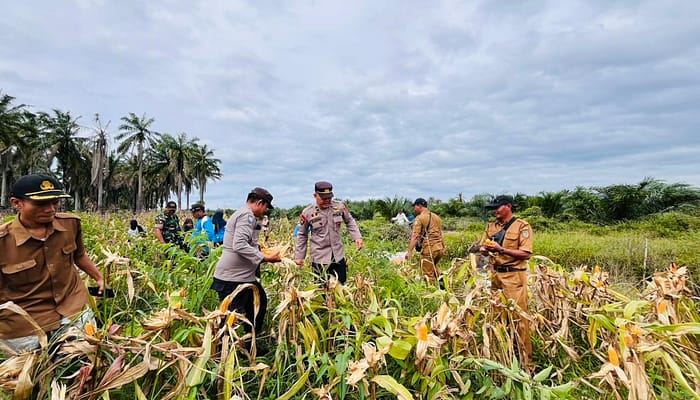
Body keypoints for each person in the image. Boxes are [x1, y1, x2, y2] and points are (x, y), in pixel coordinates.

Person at [0, 174, 105, 353]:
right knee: (35, 368)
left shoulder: (70, 224)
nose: (50, 209)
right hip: (25, 324)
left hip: (73, 307)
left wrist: (99, 278)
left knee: (85, 357)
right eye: (41, 204)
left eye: (55, 202)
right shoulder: (3, 242)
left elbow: (79, 255)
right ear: (17, 203)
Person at [211, 188, 281, 349]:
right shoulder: (246, 216)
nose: (265, 211)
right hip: (233, 278)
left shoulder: (245, 215)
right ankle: (223, 352)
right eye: (266, 207)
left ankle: (249, 344)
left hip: (244, 277)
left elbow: (246, 243)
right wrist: (264, 258)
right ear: (260, 203)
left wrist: (260, 251)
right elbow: (239, 244)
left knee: (258, 304)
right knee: (232, 316)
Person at [479, 195, 533, 370]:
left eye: (497, 207)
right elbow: (482, 247)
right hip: (495, 276)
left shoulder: (522, 226)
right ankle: (503, 358)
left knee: (519, 319)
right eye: (493, 208)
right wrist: (484, 249)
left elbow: (526, 253)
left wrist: (501, 249)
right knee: (498, 317)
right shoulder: (491, 226)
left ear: (508, 206)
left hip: (514, 277)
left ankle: (526, 364)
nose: (494, 211)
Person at [294, 181, 363, 285]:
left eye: (329, 198)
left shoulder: (339, 207)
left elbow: (349, 221)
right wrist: (299, 256)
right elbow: (302, 235)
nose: (327, 201)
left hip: (338, 256)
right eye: (323, 198)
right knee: (322, 289)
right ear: (315, 196)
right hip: (319, 259)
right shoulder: (308, 212)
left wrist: (357, 237)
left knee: (341, 286)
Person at [405, 198, 446, 285]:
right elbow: (440, 233)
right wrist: (443, 247)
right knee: (433, 266)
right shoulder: (436, 217)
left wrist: (409, 252)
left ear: (420, 206)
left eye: (415, 206)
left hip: (429, 249)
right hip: (439, 248)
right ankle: (443, 283)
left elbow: (415, 236)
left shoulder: (419, 218)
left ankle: (430, 291)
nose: (414, 209)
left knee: (427, 274)